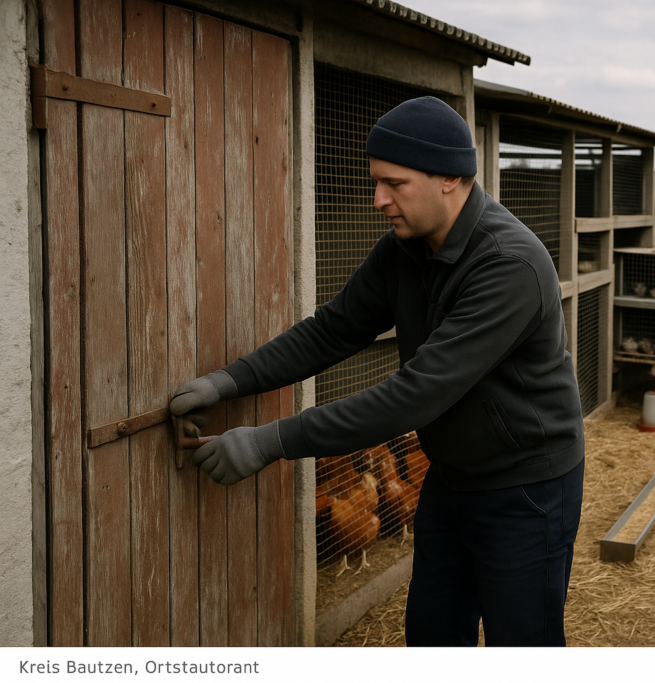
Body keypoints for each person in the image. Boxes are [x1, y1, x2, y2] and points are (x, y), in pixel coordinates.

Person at [169, 96, 586, 646]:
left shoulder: (509, 265)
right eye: (375, 182)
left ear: (450, 179)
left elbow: (413, 397)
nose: (377, 200)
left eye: (395, 183)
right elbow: (332, 330)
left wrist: (269, 441)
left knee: (523, 644)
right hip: (453, 478)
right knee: (433, 637)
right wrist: (228, 381)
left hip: (525, 488)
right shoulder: (404, 249)